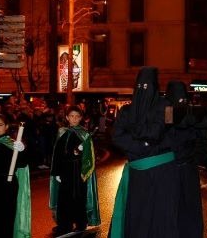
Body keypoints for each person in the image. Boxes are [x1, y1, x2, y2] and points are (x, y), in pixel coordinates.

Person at [109, 67, 179, 238]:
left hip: (162, 172)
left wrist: (134, 131)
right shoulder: (126, 110)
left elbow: (161, 131)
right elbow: (116, 136)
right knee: (138, 215)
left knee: (160, 215)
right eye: (140, 86)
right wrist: (142, 145)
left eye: (147, 86)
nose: (143, 90)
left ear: (155, 87)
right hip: (138, 172)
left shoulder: (168, 107)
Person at [165, 80, 207, 238]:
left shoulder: (186, 113)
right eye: (179, 99)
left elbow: (201, 138)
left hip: (184, 169)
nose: (182, 103)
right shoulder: (167, 113)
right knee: (175, 209)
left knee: (187, 209)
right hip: (172, 170)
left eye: (184, 100)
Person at [50, 105, 100, 235]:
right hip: (64, 170)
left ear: (81, 118)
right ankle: (64, 224)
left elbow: (89, 156)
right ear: (67, 117)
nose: (74, 119)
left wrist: (83, 150)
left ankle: (80, 223)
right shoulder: (62, 132)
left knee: (78, 196)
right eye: (71, 116)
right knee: (64, 197)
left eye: (77, 116)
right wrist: (56, 172)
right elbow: (57, 153)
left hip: (78, 170)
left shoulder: (84, 134)